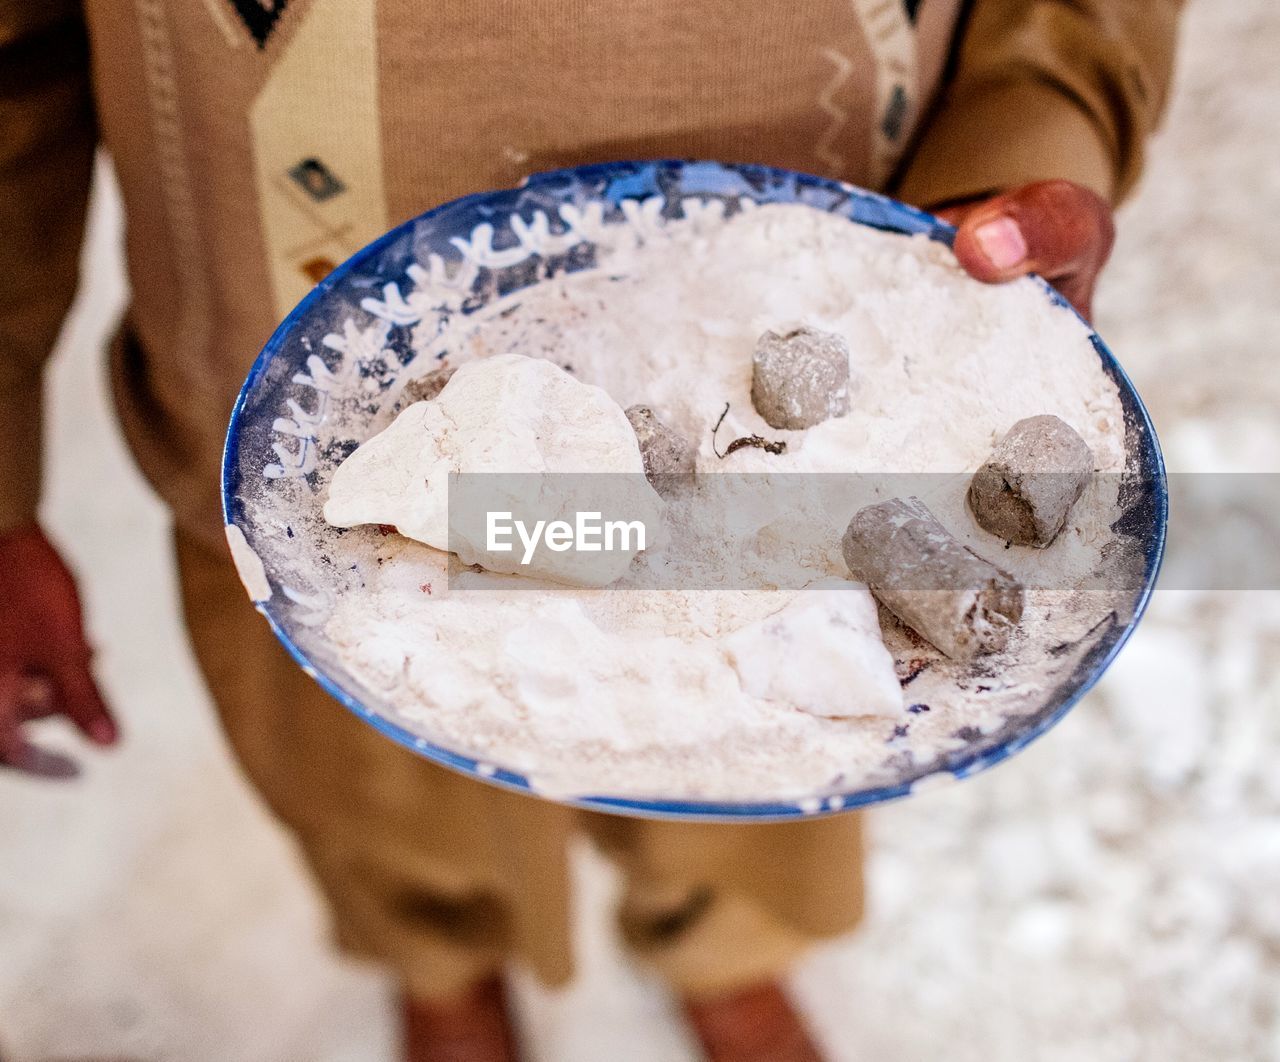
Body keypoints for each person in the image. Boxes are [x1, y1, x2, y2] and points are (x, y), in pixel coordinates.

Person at [0, 2, 1181, 1059]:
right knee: (370, 797)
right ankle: (442, 961)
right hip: (286, 381)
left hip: (803, 293)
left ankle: (723, 954)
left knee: (763, 768)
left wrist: (1037, 120)